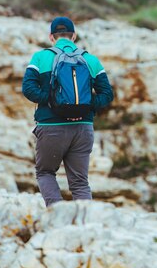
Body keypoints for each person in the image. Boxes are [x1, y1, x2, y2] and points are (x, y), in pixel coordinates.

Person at [22, 17, 114, 207]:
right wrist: (88, 105)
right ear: (74, 36)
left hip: (51, 127)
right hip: (83, 128)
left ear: (51, 37)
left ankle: (58, 217)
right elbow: (107, 94)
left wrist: (51, 100)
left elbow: (28, 89)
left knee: (45, 173)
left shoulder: (40, 57)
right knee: (80, 182)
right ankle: (87, 225)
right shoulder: (90, 59)